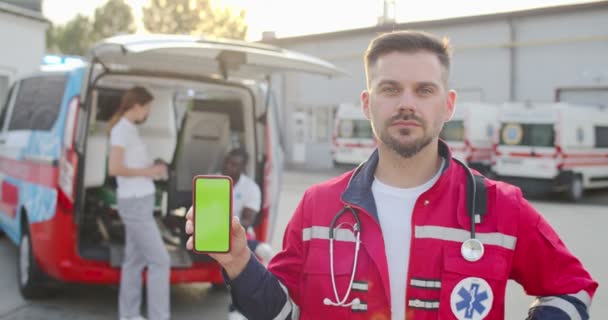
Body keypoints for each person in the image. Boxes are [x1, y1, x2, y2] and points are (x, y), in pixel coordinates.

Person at [185, 31, 598, 319]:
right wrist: (239, 260)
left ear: (448, 104)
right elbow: (281, 313)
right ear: (367, 103)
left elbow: (572, 287)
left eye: (423, 90)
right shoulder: (318, 207)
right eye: (390, 89)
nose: (406, 104)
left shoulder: (500, 208)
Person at [108, 86, 171, 320]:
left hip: (139, 202)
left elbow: (131, 164)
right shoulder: (121, 131)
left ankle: (129, 315)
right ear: (137, 106)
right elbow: (115, 169)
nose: (148, 112)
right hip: (134, 204)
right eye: (148, 108)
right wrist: (150, 171)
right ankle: (158, 316)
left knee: (133, 262)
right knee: (160, 260)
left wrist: (153, 169)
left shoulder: (129, 130)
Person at [220, 148, 274, 320]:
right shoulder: (212, 181)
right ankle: (256, 247)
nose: (229, 166)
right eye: (227, 162)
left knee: (245, 260)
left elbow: (247, 221)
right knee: (244, 254)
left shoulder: (251, 188)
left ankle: (237, 309)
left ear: (243, 167)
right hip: (214, 234)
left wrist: (226, 225)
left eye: (234, 164)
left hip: (238, 233)